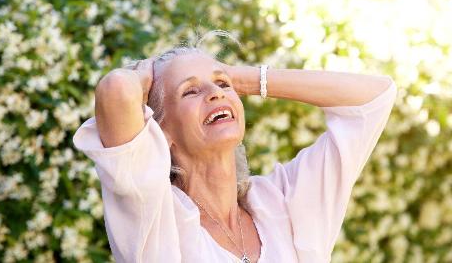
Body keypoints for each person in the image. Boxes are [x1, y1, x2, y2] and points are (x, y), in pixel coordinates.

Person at [73, 39, 397, 262]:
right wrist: (143, 74)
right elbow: (116, 91)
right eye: (190, 91)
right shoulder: (155, 219)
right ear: (161, 132)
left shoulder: (282, 202)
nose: (215, 93)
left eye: (221, 84)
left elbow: (374, 98)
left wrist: (245, 80)